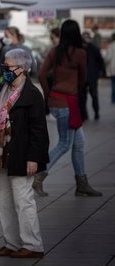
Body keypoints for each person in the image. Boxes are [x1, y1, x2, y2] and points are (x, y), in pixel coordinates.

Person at [0, 49, 49, 259]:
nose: (5, 70)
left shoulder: (32, 95)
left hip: (20, 154)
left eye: (8, 67)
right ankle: (11, 242)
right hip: (0, 155)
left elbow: (39, 131)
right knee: (3, 200)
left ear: (22, 69)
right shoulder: (4, 89)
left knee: (23, 199)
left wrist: (34, 158)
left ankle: (32, 244)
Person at [36, 19, 102, 197]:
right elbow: (83, 78)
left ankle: (82, 184)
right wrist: (75, 89)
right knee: (65, 143)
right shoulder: (80, 53)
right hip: (69, 103)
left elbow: (41, 74)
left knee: (78, 143)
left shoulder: (55, 51)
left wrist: (49, 95)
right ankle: (38, 176)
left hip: (57, 101)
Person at [0, 27, 34, 91]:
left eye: (6, 36)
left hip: (9, 85)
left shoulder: (5, 49)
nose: (4, 38)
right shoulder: (27, 49)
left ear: (14, 35)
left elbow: (2, 68)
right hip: (25, 84)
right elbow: (33, 69)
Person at [79, 32, 105, 121]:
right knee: (89, 96)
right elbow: (100, 62)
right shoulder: (94, 48)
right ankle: (91, 113)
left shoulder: (81, 48)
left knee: (86, 96)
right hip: (90, 76)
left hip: (87, 76)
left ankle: (88, 114)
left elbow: (100, 62)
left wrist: (100, 72)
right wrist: (100, 72)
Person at [105, 32, 115, 104]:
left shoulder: (111, 46)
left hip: (113, 68)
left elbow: (108, 58)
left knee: (113, 84)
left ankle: (113, 99)